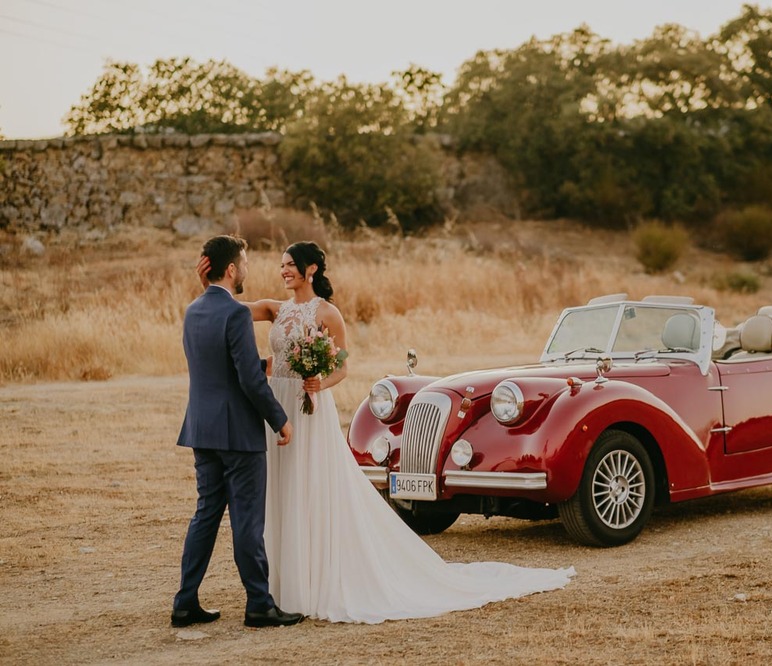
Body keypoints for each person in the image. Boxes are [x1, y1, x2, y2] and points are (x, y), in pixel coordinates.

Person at [198, 240, 574, 623]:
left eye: (291, 265)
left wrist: (320, 383)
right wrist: (208, 283)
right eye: (281, 266)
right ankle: (280, 583)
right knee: (279, 488)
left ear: (310, 270)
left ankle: (313, 580)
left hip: (309, 408)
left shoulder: (329, 314)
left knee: (308, 486)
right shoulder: (274, 310)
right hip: (277, 404)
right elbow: (227, 307)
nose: (284, 271)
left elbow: (342, 365)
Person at [173, 235, 304, 629]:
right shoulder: (234, 314)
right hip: (238, 435)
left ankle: (184, 602)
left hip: (202, 429)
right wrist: (279, 419)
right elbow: (248, 380)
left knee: (205, 516)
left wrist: (260, 362)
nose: (246, 268)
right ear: (231, 269)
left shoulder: (194, 310)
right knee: (248, 520)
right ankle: (259, 605)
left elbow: (217, 365)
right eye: (243, 262)